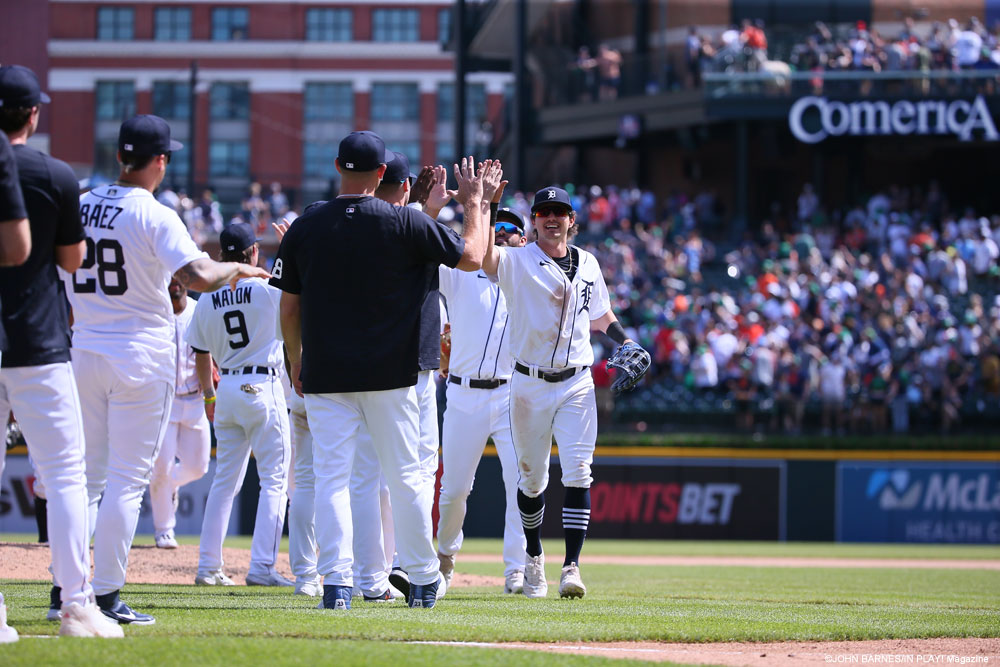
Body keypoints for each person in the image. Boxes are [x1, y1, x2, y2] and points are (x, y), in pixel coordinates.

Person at [270, 130, 488, 610]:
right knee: (406, 476)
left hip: (327, 374)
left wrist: (295, 358)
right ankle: (424, 578)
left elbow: (288, 307)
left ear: (337, 166)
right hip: (392, 374)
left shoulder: (307, 224)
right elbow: (473, 257)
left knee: (333, 479)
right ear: (383, 173)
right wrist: (474, 203)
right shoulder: (404, 221)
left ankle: (336, 583)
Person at [68, 114, 271, 625]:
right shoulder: (154, 214)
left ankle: (65, 592)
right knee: (125, 481)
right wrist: (239, 267)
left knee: (84, 480)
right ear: (159, 161)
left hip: (84, 347)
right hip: (139, 354)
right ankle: (105, 597)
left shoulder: (81, 203)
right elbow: (199, 275)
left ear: (120, 155)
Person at [0, 64, 122, 639]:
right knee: (67, 474)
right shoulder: (54, 174)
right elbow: (71, 260)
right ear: (33, 114)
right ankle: (76, 603)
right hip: (38, 338)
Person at [481, 186, 645, 599]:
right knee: (532, 479)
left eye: (559, 212)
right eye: (544, 212)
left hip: (577, 381)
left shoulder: (588, 263)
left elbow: (600, 313)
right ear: (534, 221)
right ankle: (534, 556)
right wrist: (486, 206)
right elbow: (483, 257)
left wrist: (625, 340)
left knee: (578, 471)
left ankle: (571, 566)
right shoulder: (517, 260)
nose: (552, 218)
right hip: (529, 382)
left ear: (572, 219)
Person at [188, 222, 291, 588]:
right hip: (262, 384)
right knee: (274, 480)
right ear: (253, 253)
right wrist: (289, 252)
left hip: (227, 388)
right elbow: (296, 305)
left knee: (224, 483)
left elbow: (200, 352)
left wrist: (209, 394)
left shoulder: (207, 297)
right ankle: (261, 566)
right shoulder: (266, 288)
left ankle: (207, 566)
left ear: (221, 255)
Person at [436, 196, 529, 595]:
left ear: (525, 240)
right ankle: (445, 558)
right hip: (463, 393)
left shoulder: (531, 279)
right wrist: (472, 206)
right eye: (497, 227)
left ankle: (518, 569)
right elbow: (428, 252)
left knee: (522, 484)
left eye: (511, 230)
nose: (503, 234)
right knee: (454, 489)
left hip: (512, 394)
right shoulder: (461, 272)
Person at [148, 278, 211, 549]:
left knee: (199, 467)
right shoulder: (154, 311)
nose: (175, 283)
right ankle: (164, 529)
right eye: (170, 278)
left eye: (179, 278)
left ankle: (168, 484)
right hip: (164, 400)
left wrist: (211, 391)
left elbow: (213, 349)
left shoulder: (198, 310)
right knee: (161, 465)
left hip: (195, 398)